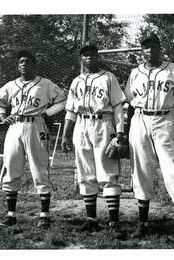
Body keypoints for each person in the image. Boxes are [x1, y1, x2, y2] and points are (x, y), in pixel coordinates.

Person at [123, 32, 174, 243]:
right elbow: (129, 103)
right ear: (142, 51)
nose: (149, 50)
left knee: (173, 169)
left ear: (159, 48)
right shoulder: (135, 73)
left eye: (153, 46)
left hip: (166, 120)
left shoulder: (172, 69)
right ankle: (143, 224)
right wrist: (128, 131)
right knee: (141, 170)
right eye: (145, 47)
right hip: (139, 120)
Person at [0, 50, 66, 228]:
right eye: (21, 62)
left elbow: (62, 100)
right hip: (15, 126)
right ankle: (11, 215)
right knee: (11, 168)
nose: (23, 64)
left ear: (34, 64)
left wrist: (47, 112)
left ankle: (44, 215)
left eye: (27, 61)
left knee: (40, 169)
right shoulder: (11, 85)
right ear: (18, 66)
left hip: (36, 126)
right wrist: (3, 117)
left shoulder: (46, 84)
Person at [61, 41, 126, 239]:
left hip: (103, 123)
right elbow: (71, 111)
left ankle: (114, 221)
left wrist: (120, 132)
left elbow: (117, 107)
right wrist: (65, 134)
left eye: (92, 53)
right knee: (85, 171)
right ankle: (91, 220)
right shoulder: (76, 81)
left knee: (107, 171)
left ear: (98, 56)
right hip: (81, 125)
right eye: (85, 54)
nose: (88, 57)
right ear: (81, 58)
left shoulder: (108, 77)